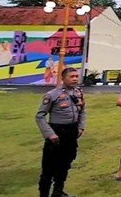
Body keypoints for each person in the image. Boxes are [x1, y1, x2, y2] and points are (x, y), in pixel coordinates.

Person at [35, 67, 86, 197]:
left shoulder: (78, 93)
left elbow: (82, 110)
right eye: (71, 76)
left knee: (65, 164)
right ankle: (44, 194)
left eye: (76, 76)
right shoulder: (52, 95)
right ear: (63, 78)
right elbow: (40, 116)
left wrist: (80, 126)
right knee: (48, 168)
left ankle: (58, 192)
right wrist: (49, 134)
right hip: (57, 132)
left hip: (71, 132)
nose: (75, 79)